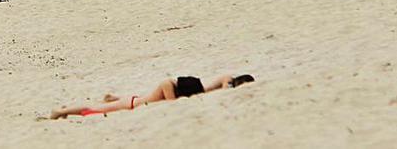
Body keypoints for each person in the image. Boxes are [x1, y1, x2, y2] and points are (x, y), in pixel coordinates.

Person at [48, 74, 256, 119]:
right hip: (132, 104)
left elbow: (223, 80)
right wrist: (174, 101)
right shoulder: (173, 89)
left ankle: (112, 97)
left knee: (102, 107)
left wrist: (228, 87)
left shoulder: (202, 90)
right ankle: (62, 111)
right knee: (92, 110)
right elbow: (166, 83)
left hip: (138, 100)